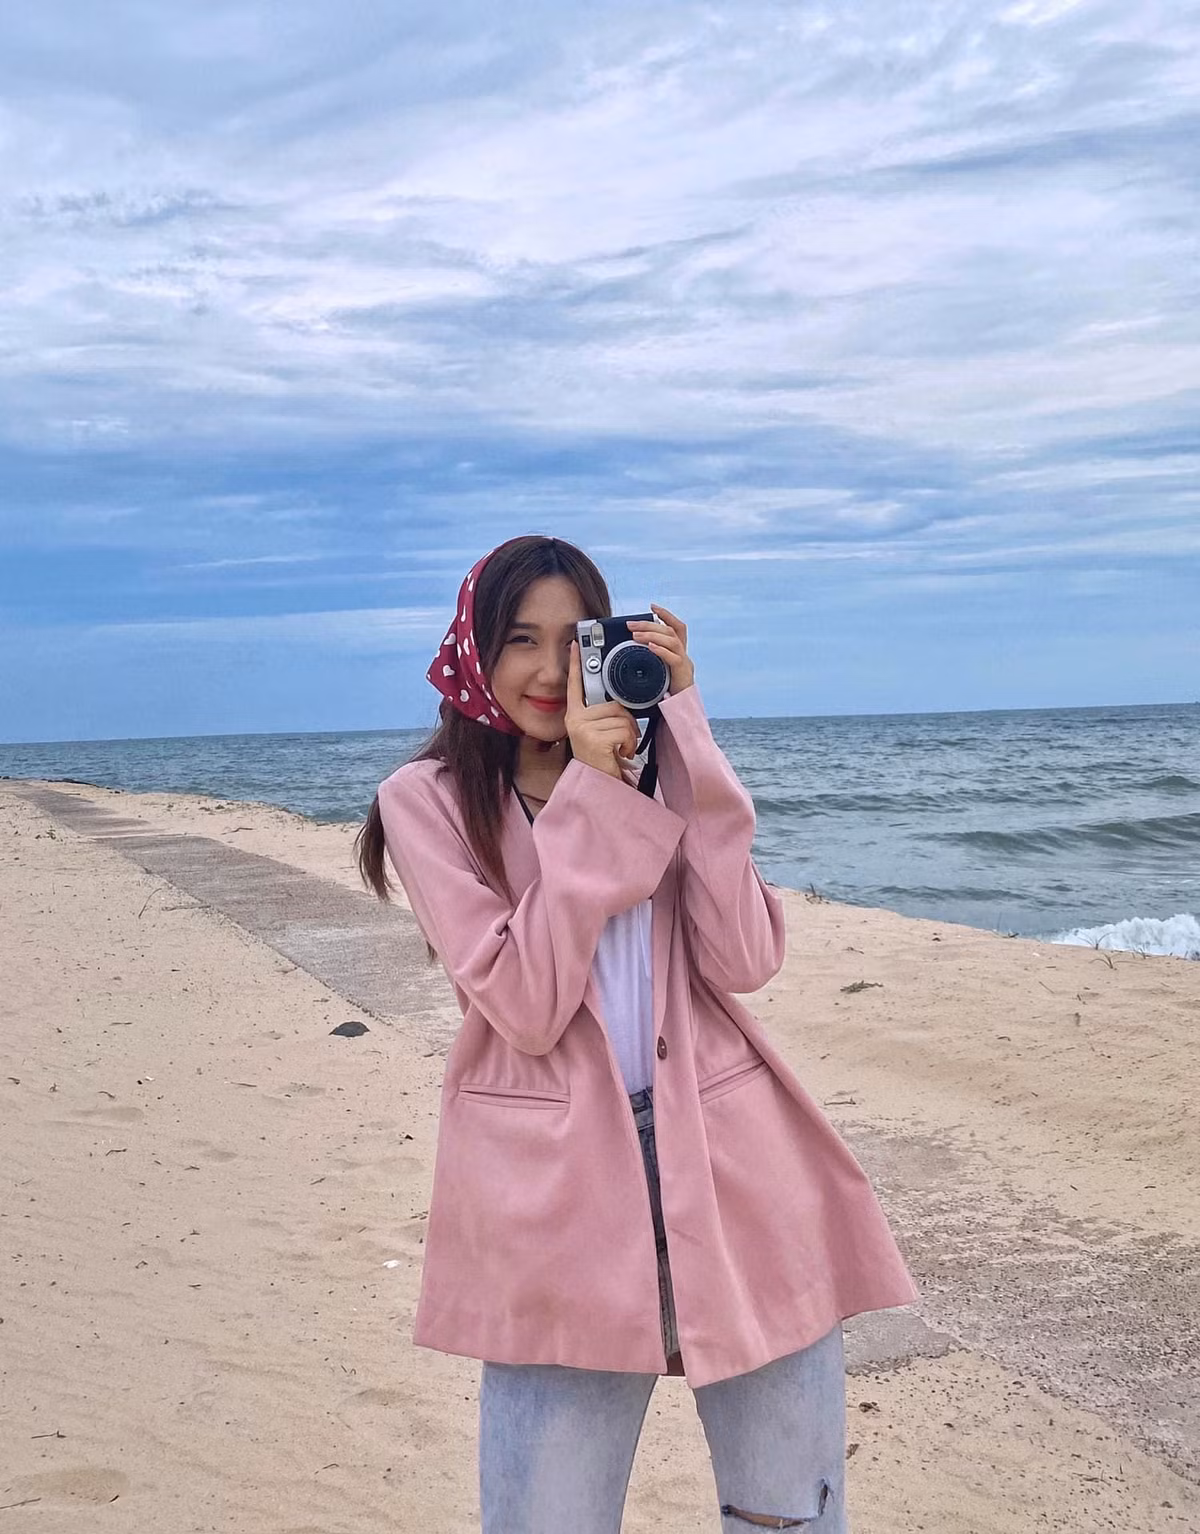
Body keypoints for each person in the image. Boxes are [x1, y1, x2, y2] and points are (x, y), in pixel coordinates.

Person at [356, 534, 920, 1532]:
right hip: (554, 1193)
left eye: (571, 639)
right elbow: (526, 1003)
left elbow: (745, 954)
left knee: (790, 1514)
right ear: (473, 650)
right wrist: (590, 789)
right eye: (517, 639)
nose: (547, 670)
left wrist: (685, 736)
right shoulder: (427, 802)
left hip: (733, 1168)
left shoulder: (660, 772)